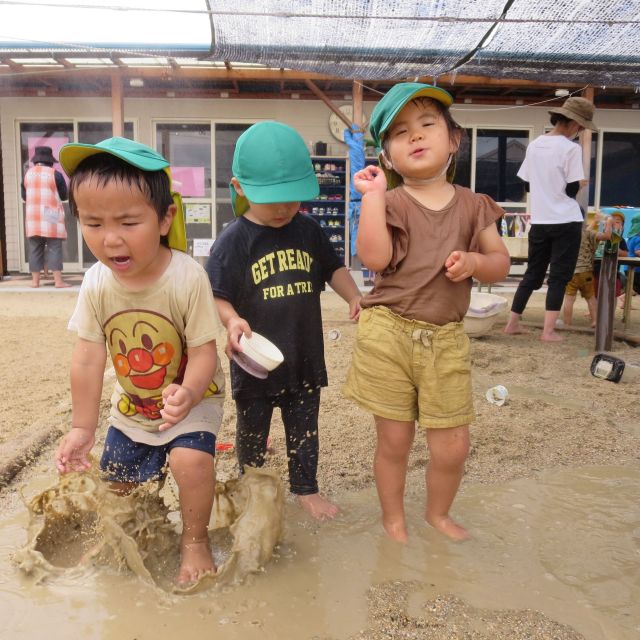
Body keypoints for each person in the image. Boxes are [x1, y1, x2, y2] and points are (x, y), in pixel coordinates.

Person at [342, 83, 510, 542]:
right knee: (394, 441)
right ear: (389, 157)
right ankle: (394, 519)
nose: (415, 136)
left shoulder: (475, 206)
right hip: (389, 332)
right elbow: (373, 259)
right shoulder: (390, 202)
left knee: (453, 445)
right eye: (400, 133)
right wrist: (372, 198)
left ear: (454, 139)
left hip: (446, 338)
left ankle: (438, 514)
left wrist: (475, 262)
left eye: (427, 124)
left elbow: (499, 264)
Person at [53, 137, 225, 585]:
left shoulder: (186, 277)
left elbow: (206, 350)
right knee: (118, 486)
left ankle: (195, 539)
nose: (110, 238)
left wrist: (187, 392)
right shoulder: (95, 282)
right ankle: (131, 535)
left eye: (129, 222)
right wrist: (82, 428)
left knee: (190, 463)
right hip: (133, 405)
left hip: (193, 396)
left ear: (165, 218)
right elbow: (89, 359)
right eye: (92, 223)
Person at [206, 121, 362, 520]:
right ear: (240, 188)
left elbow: (333, 269)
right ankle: (252, 484)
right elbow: (217, 294)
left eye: (292, 199)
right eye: (272, 199)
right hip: (254, 362)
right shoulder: (233, 241)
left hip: (304, 353)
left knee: (305, 427)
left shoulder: (308, 230)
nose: (283, 209)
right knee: (252, 429)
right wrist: (232, 320)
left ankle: (306, 488)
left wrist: (355, 297)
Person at [504, 96, 597, 341]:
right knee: (559, 276)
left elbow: (527, 184)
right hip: (566, 221)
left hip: (541, 221)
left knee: (533, 273)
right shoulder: (571, 148)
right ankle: (548, 331)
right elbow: (569, 191)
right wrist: (580, 184)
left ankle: (512, 323)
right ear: (575, 124)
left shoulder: (535, 145)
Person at [22, 145, 71, 288]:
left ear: (36, 160)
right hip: (51, 215)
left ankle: (35, 282)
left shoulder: (28, 174)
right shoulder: (55, 174)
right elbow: (63, 195)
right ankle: (58, 281)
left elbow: (24, 196)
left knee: (35, 248)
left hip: (33, 217)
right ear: (50, 161)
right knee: (54, 247)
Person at [561, 212, 613, 327]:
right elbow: (607, 236)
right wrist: (608, 222)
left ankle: (567, 323)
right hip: (586, 272)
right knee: (590, 298)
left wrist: (595, 222)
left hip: (571, 272)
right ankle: (595, 321)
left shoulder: (565, 234)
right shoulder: (588, 233)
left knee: (569, 299)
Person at [593, 210, 629, 306]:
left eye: (618, 222)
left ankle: (610, 312)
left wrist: (617, 248)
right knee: (596, 293)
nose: (614, 223)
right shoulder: (601, 236)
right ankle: (595, 312)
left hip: (613, 273)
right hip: (597, 270)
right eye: (612, 221)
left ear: (622, 226)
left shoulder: (620, 240)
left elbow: (625, 253)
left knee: (613, 294)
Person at [625, 213, 640, 295]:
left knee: (633, 287)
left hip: (627, 267)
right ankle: (623, 297)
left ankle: (625, 302)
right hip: (637, 269)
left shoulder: (631, 237)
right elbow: (638, 251)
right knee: (637, 288)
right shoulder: (639, 238)